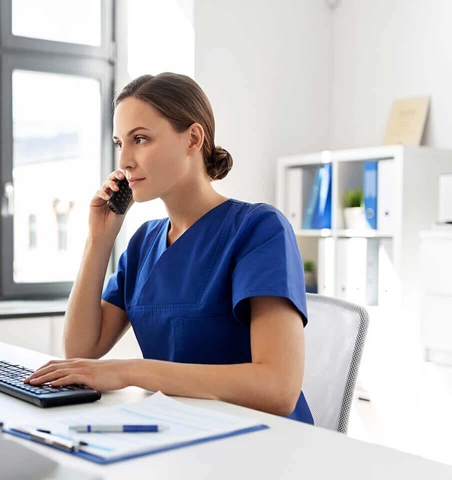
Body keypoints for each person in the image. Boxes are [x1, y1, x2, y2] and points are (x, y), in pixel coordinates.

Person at [25, 72, 313, 424]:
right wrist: (98, 241)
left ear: (192, 139)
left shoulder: (259, 229)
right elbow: (81, 350)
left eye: (141, 139)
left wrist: (132, 372)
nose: (125, 161)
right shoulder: (144, 242)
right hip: (181, 431)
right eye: (120, 143)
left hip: (264, 442)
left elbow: (278, 388)